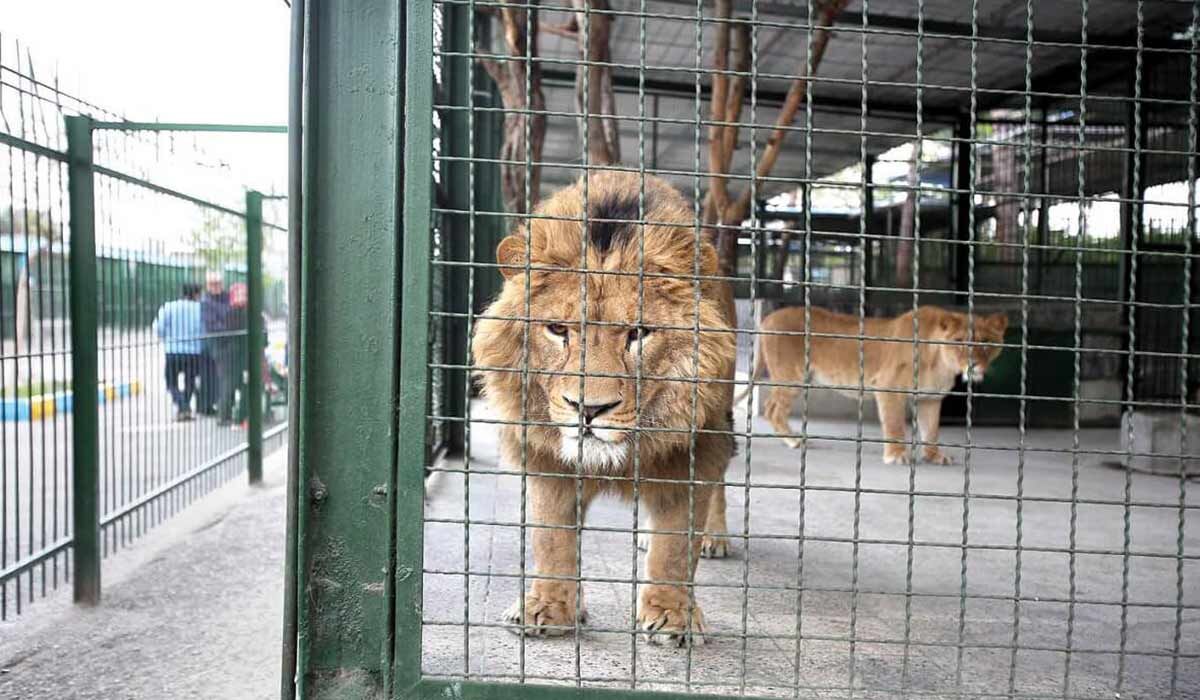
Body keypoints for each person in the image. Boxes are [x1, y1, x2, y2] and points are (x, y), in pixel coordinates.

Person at [154, 283, 204, 421]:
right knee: (190, 382)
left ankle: (182, 406)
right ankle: (185, 407)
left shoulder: (169, 306)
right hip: (194, 351)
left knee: (171, 382)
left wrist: (167, 337)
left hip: (173, 350)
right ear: (196, 294)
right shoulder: (200, 309)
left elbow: (158, 328)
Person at [200, 271, 233, 416]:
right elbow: (212, 325)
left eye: (218, 283)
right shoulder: (206, 301)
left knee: (223, 376)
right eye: (213, 284)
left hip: (228, 343)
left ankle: (221, 405)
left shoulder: (227, 297)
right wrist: (229, 324)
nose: (216, 287)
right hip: (215, 343)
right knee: (212, 376)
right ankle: (211, 406)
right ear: (208, 285)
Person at [218, 282, 249, 426]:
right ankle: (225, 417)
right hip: (231, 356)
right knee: (229, 386)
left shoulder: (244, 312)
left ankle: (238, 416)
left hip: (239, 355)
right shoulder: (231, 313)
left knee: (241, 385)